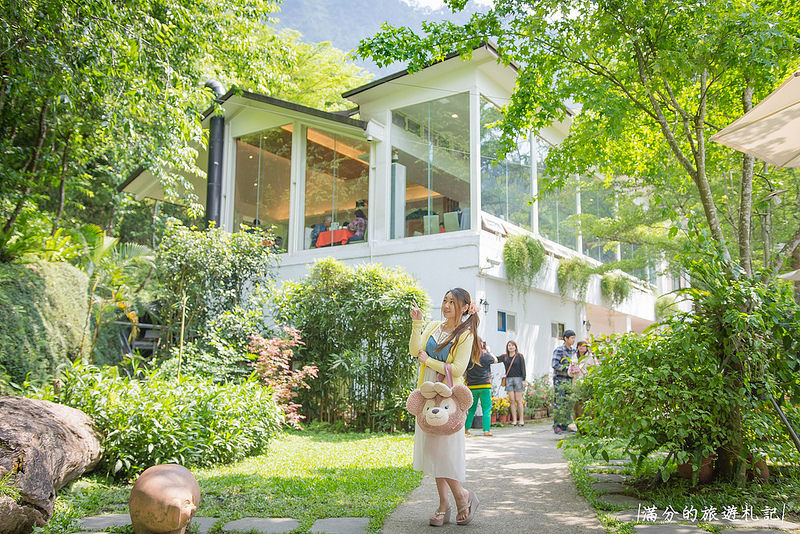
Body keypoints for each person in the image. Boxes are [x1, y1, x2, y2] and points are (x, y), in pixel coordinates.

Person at [409, 288, 481, 526]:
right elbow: (414, 350)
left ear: (464, 307)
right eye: (445, 300)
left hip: (449, 398)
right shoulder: (433, 327)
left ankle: (462, 496)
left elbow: (458, 369)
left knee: (447, 451)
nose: (447, 305)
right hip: (428, 394)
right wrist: (417, 323)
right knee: (433, 450)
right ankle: (445, 503)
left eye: (453, 302)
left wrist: (428, 361)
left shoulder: (466, 334)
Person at [465, 340, 498, 436]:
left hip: (472, 386)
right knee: (486, 408)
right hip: (484, 385)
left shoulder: (468, 356)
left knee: (471, 409)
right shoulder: (485, 355)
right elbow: (495, 360)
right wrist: (489, 351)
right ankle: (486, 430)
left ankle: (466, 429)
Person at [551, 329, 577, 434]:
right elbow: (554, 364)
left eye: (574, 338)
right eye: (572, 338)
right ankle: (557, 425)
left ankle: (566, 424)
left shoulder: (573, 351)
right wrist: (567, 369)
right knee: (559, 402)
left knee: (568, 403)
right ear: (565, 338)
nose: (573, 340)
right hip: (560, 379)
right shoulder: (559, 350)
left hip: (569, 380)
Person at [498, 341, 527, 426]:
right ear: (507, 347)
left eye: (512, 345)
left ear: (515, 347)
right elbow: (495, 359)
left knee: (519, 400)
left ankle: (521, 420)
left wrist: (524, 380)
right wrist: (487, 351)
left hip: (518, 379)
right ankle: (514, 420)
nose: (510, 347)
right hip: (509, 380)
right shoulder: (505, 357)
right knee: (512, 400)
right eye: (509, 345)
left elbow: (523, 369)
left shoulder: (519, 356)